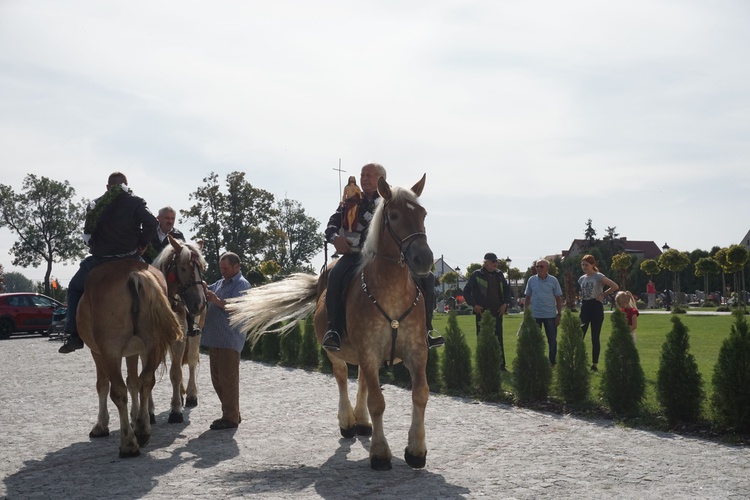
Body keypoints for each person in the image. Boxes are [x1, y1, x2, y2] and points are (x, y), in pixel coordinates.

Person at [321, 163, 444, 351]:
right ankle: (334, 330)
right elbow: (331, 225)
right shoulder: (350, 201)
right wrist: (336, 238)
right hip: (354, 255)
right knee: (335, 275)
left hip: (391, 257)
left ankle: (427, 330)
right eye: (362, 175)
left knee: (427, 279)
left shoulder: (393, 200)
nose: (364, 178)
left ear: (381, 179)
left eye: (369, 175)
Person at [59, 172, 157, 354]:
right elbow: (151, 223)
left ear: (107, 187)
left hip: (100, 262)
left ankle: (73, 334)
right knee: (158, 281)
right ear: (126, 185)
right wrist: (142, 243)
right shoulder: (135, 202)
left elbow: (88, 234)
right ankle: (167, 324)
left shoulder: (95, 205)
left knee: (73, 288)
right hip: (131, 259)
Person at [201, 252, 251, 430]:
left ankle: (230, 418)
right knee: (217, 380)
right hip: (216, 340)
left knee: (228, 380)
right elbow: (209, 288)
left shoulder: (241, 284)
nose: (222, 271)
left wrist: (216, 300)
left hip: (229, 340)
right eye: (221, 268)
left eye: (226, 268)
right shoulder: (222, 282)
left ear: (236, 266)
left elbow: (237, 307)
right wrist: (203, 285)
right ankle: (232, 412)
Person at [143, 206, 199, 336]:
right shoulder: (149, 231)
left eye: (172, 218)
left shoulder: (178, 235)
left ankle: (190, 325)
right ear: (158, 218)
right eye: (167, 218)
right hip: (147, 269)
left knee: (186, 289)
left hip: (169, 273)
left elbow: (183, 257)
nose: (170, 221)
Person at [463, 252, 513, 371]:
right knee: (482, 338)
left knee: (498, 338)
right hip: (482, 312)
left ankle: (501, 366)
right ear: (485, 263)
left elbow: (507, 291)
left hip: (498, 311)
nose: (495, 264)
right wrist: (474, 305)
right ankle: (483, 366)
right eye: (493, 262)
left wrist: (505, 304)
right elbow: (466, 292)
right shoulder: (476, 275)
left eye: (496, 262)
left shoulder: (499, 274)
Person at [578, 254, 619, 371]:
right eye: (582, 265)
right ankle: (579, 360)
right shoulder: (581, 278)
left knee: (595, 337)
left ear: (592, 265)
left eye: (586, 265)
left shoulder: (598, 276)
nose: (584, 267)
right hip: (585, 306)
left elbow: (614, 286)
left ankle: (594, 364)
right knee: (580, 334)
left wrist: (603, 294)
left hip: (596, 306)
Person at [523, 259, 563, 366]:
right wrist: (526, 313)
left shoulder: (553, 280)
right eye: (537, 266)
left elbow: (558, 298)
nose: (538, 268)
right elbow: (527, 297)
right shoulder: (531, 280)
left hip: (550, 315)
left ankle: (552, 362)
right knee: (535, 340)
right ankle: (537, 361)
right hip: (535, 315)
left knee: (552, 341)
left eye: (541, 266)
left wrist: (559, 314)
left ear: (547, 268)